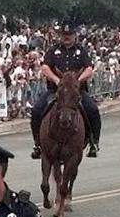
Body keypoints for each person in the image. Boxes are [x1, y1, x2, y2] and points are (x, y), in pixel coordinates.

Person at [30, 26, 100, 159]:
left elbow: (89, 69)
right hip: (55, 90)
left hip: (76, 91)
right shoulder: (53, 50)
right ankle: (38, 143)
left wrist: (77, 81)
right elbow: (45, 68)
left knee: (92, 110)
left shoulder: (81, 50)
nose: (66, 37)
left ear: (74, 35)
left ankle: (93, 142)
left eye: (69, 34)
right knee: (37, 110)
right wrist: (57, 80)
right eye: (64, 34)